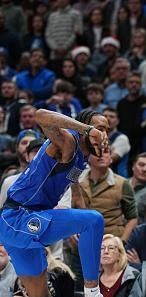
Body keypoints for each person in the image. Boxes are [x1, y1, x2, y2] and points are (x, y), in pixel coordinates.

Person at [0, 109, 108, 297]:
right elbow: (40, 115)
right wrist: (87, 128)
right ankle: (93, 292)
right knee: (94, 220)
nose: (103, 135)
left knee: (41, 295)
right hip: (20, 216)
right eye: (99, 129)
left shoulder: (81, 159)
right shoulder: (67, 141)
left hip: (21, 226)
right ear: (86, 130)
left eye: (107, 130)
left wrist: (81, 229)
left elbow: (72, 184)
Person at [78, 146, 137, 242]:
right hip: (83, 239)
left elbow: (132, 218)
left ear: (110, 157)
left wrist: (122, 242)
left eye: (105, 152)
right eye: (96, 152)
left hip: (111, 240)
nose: (101, 155)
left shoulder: (122, 183)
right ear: (88, 157)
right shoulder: (77, 183)